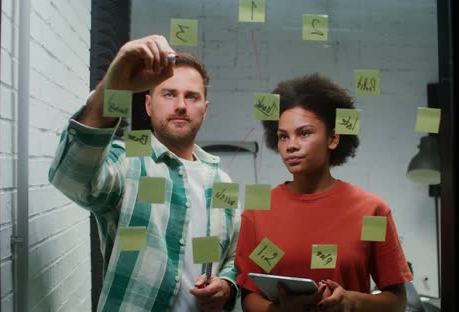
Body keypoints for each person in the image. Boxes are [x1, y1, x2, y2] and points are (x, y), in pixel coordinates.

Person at [49, 35, 239, 312]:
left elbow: (233, 255)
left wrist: (226, 285)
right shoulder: (129, 161)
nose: (181, 105)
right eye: (169, 94)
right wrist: (115, 84)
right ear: (149, 105)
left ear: (204, 110)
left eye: (192, 96)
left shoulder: (221, 181)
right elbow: (70, 178)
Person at [235, 73, 413, 311]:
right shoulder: (258, 211)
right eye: (283, 136)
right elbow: (248, 297)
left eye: (304, 133)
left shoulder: (371, 211)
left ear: (333, 138)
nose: (291, 145)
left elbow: (397, 301)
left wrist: (351, 302)